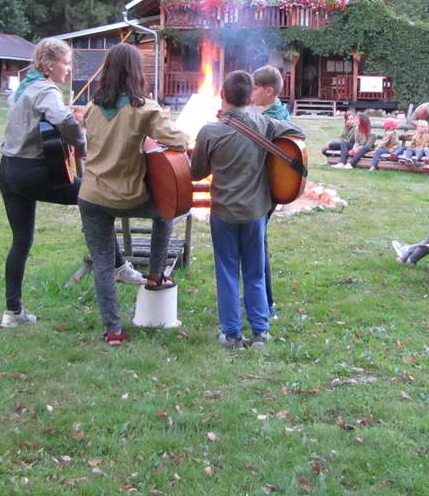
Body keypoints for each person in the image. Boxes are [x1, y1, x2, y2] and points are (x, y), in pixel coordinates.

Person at [0, 38, 147, 331]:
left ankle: (12, 311)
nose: (68, 69)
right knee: (95, 197)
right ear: (49, 64)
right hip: (33, 171)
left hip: (8, 170)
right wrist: (80, 145)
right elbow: (64, 120)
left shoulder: (23, 87)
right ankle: (119, 266)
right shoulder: (45, 89)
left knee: (21, 241)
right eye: (65, 63)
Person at [77, 43, 190, 346]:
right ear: (136, 71)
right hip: (128, 196)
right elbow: (178, 141)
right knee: (167, 211)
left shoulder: (91, 107)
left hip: (91, 196)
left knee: (103, 265)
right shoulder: (145, 109)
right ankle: (155, 273)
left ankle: (113, 330)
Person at [190, 70, 305, 350]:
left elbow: (197, 172)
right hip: (255, 211)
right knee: (255, 272)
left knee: (227, 271)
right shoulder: (264, 124)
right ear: (249, 98)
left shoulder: (210, 132)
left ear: (222, 95)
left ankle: (231, 334)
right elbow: (299, 133)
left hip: (224, 212)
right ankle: (260, 331)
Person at [249, 65, 290, 319]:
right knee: (257, 242)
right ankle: (260, 299)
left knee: (257, 245)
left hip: (265, 188)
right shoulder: (278, 111)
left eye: (255, 88)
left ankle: (266, 303)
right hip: (266, 187)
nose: (251, 93)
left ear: (268, 91)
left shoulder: (271, 120)